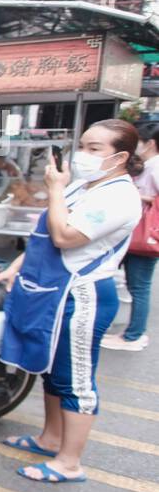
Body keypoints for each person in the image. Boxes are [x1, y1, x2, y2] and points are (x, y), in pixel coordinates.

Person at [0, 119, 144, 484]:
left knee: (76, 380)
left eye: (94, 148)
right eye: (82, 144)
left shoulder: (118, 196)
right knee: (51, 372)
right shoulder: (85, 187)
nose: (82, 154)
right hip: (50, 293)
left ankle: (70, 462)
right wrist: (12, 269)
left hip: (81, 298)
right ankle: (50, 438)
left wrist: (55, 190)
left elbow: (65, 236)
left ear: (120, 157)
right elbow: (42, 237)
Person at [101, 121, 159, 351]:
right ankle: (129, 332)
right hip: (134, 236)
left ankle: (134, 336)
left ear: (151, 143)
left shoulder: (156, 167)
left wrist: (137, 195)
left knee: (139, 287)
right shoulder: (147, 165)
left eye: (140, 143)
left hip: (146, 237)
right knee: (130, 283)